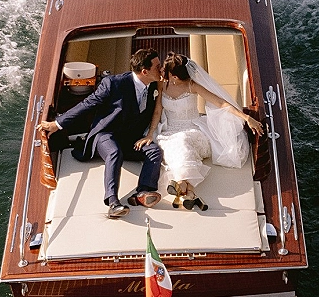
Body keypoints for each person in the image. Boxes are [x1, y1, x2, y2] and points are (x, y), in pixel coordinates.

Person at [37, 48, 163, 219]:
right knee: (114, 152)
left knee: (154, 151)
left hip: (131, 139)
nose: (161, 69)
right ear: (144, 71)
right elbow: (88, 104)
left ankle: (142, 192)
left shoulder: (155, 84)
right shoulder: (113, 83)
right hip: (106, 135)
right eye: (158, 66)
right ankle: (113, 203)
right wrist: (57, 124)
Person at [147, 52, 264, 210]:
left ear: (174, 76)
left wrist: (246, 118)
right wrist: (150, 133)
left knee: (183, 143)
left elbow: (220, 102)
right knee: (174, 148)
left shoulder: (192, 85)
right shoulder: (163, 84)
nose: (161, 72)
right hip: (169, 130)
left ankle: (181, 184)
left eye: (165, 71)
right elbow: (157, 111)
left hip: (194, 129)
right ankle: (188, 192)